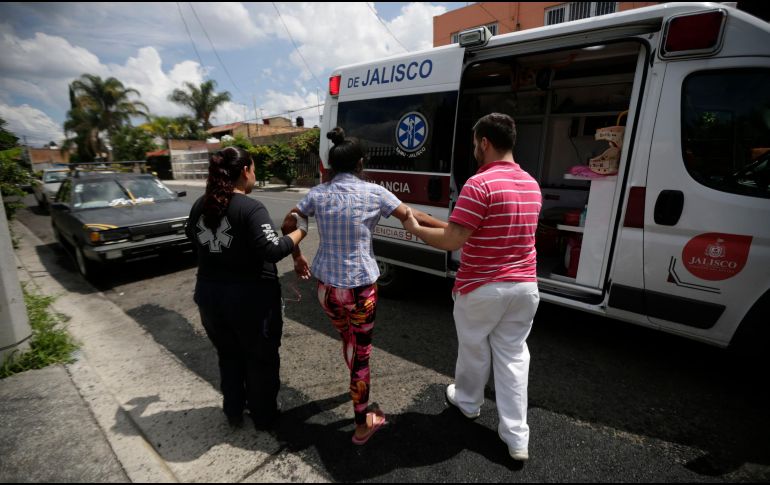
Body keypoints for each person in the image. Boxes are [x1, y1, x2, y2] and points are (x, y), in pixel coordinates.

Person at [283, 127, 445, 445]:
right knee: (362, 358)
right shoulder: (375, 193)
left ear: (331, 165)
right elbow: (414, 216)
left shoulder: (317, 194)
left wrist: (297, 257)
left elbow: (289, 222)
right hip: (361, 292)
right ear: (361, 162)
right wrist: (454, 228)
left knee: (348, 340)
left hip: (327, 290)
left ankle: (357, 390)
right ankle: (362, 424)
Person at [401, 113, 541, 461]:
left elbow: (453, 240)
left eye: (474, 143)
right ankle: (516, 437)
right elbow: (475, 227)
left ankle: (468, 403)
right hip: (524, 287)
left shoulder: (480, 184)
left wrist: (415, 229)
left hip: (483, 287)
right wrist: (430, 220)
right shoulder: (530, 184)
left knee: (475, 349)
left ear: (484, 143)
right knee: (513, 358)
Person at [186, 146, 307, 431]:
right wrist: (300, 231)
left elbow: (193, 238)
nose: (255, 174)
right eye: (253, 168)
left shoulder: (199, 205)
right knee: (261, 359)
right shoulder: (250, 207)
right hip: (250, 301)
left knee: (228, 356)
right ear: (244, 171)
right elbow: (271, 249)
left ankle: (234, 411)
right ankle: (264, 416)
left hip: (210, 298)